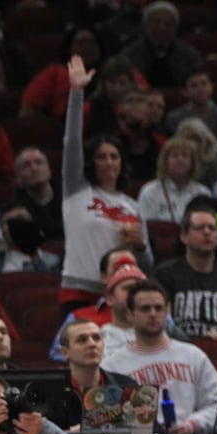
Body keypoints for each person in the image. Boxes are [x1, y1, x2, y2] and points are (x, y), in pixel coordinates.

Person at [61, 57, 151, 313]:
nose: (109, 162)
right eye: (101, 156)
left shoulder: (132, 206)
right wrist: (76, 93)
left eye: (114, 156)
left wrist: (142, 246)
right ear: (91, 162)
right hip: (78, 292)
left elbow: (147, 265)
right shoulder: (76, 190)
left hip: (123, 296)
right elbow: (71, 143)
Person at [103, 280, 217, 434]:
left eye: (159, 308)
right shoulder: (112, 365)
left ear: (167, 312)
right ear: (130, 314)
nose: (153, 314)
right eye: (145, 309)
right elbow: (106, 420)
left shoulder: (193, 355)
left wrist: (192, 425)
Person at [154, 205, 217, 339]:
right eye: (199, 228)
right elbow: (162, 325)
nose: (207, 232)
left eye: (212, 228)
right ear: (184, 236)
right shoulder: (165, 275)